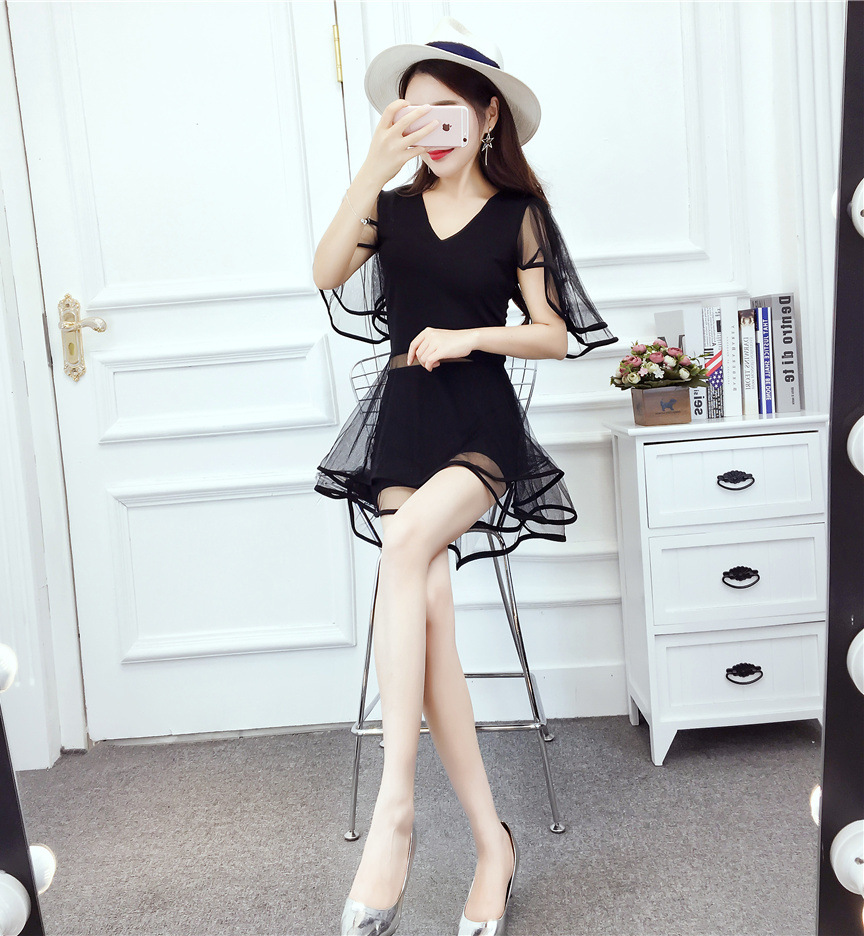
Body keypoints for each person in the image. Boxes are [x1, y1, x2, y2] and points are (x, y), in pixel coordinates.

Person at [312, 16, 618, 936]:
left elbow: (555, 335)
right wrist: (372, 167)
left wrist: (470, 336)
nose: (430, 129)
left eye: (446, 112)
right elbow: (324, 270)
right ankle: (492, 844)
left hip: (479, 422)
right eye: (413, 115)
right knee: (428, 590)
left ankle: (394, 812)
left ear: (487, 117)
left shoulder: (519, 214)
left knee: (404, 545)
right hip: (405, 421)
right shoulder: (392, 207)